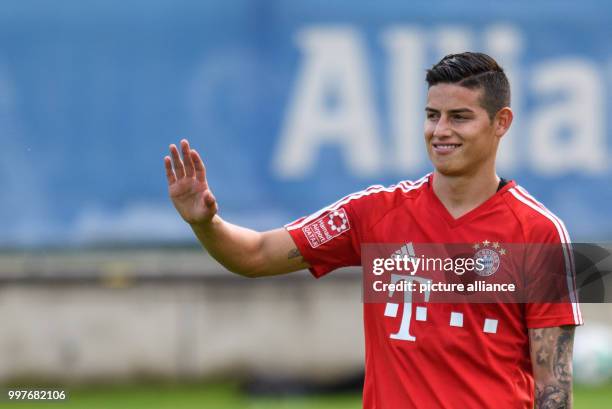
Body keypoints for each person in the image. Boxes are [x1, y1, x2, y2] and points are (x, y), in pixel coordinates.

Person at [164, 52, 582, 409]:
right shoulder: (374, 213)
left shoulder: (540, 232)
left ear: (501, 122)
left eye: (460, 117)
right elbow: (254, 255)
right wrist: (205, 224)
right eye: (432, 116)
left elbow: (553, 388)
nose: (440, 131)